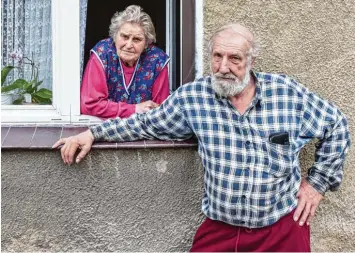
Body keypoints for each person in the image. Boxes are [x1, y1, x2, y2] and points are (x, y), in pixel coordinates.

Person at [54, 23, 351, 252]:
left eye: (234, 58)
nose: (223, 67)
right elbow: (146, 123)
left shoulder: (287, 93)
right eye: (217, 56)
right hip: (221, 231)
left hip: (281, 229)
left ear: (251, 59)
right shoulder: (194, 98)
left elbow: (336, 124)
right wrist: (94, 132)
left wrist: (317, 185)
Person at [80, 5, 170, 119]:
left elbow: (160, 111)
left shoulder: (157, 60)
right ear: (115, 36)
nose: (128, 45)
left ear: (147, 43)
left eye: (137, 39)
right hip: (103, 126)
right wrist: (134, 109)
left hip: (142, 130)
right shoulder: (102, 54)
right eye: (124, 37)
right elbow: (90, 105)